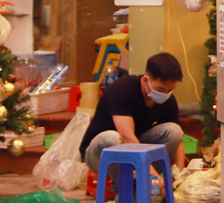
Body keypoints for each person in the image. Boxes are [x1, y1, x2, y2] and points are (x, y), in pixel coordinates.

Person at [80, 52, 187, 195]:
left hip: (135, 148)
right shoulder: (122, 89)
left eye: (170, 90)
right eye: (160, 89)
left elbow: (178, 141)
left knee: (174, 131)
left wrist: (177, 179)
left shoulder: (168, 100)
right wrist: (155, 177)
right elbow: (127, 137)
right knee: (111, 138)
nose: (165, 94)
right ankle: (126, 190)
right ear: (145, 80)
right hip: (100, 152)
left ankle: (139, 185)